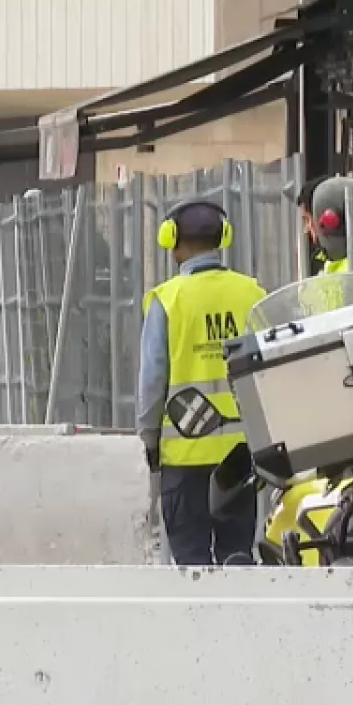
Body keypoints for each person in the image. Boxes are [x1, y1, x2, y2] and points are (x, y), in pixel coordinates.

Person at [137, 200, 268, 566]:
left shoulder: (167, 301)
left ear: (171, 240)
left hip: (184, 457)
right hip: (240, 458)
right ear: (223, 236)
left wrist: (149, 441)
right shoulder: (253, 295)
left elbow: (152, 381)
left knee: (191, 565)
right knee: (237, 558)